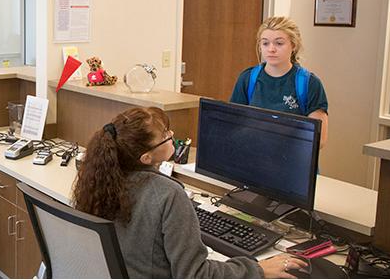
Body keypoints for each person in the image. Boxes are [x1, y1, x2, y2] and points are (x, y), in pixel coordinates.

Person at [72, 107, 308, 278]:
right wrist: (256, 269)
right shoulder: (168, 194)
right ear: (146, 157)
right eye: (165, 136)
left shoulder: (100, 181)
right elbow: (195, 275)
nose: (172, 135)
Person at [230, 16, 329, 147]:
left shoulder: (309, 83)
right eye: (265, 43)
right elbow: (232, 124)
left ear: (293, 45)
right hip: (254, 157)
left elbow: (319, 140)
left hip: (292, 161)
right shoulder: (248, 78)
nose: (271, 49)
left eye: (279, 43)